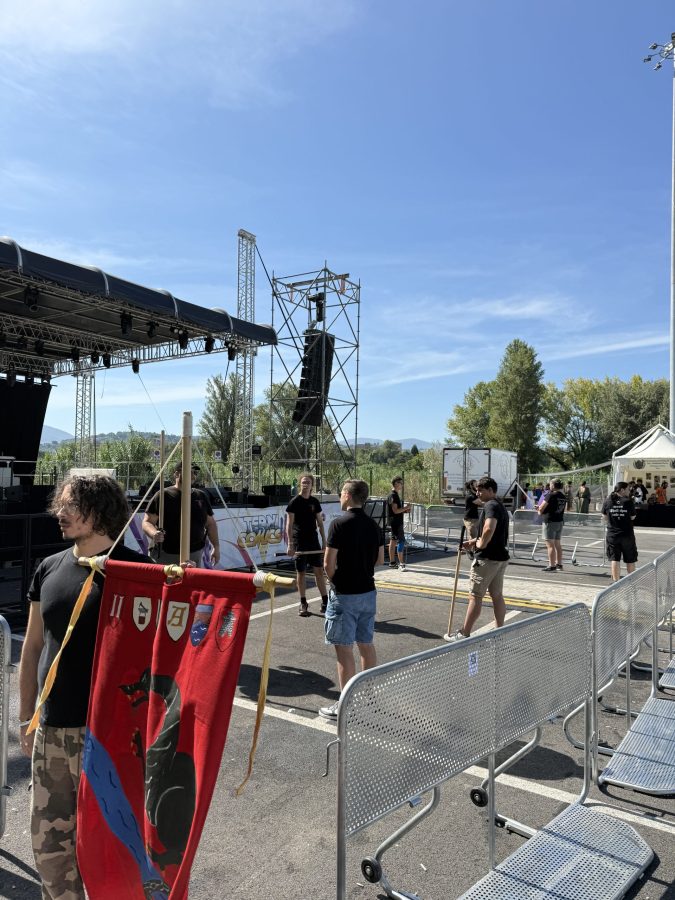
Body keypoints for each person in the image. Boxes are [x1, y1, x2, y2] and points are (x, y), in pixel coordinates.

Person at [18, 475, 151, 900]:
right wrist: (26, 717)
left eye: (72, 504)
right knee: (50, 849)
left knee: (114, 848)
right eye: (61, 502)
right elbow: (33, 646)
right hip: (53, 731)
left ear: (101, 511)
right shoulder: (49, 568)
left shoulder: (138, 574)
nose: (61, 512)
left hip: (112, 739)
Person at [319, 479, 384, 719]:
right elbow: (380, 560)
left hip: (345, 594)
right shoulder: (373, 525)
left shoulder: (338, 524)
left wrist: (337, 580)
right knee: (366, 644)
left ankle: (345, 704)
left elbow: (328, 563)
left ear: (347, 494)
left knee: (344, 650)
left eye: (341, 493)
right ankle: (369, 696)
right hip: (368, 591)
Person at [445, 476, 510, 641]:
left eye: (481, 490)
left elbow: (489, 528)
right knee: (497, 595)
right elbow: (490, 533)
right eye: (477, 490)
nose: (478, 493)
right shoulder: (500, 505)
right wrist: (473, 542)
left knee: (475, 596)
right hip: (500, 557)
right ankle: (499, 630)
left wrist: (481, 544)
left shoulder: (491, 505)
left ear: (491, 490)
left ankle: (464, 633)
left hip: (487, 559)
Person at [142, 462, 220, 566]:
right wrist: (154, 533)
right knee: (166, 582)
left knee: (190, 582)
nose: (193, 476)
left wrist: (216, 547)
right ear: (176, 474)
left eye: (195, 473)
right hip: (166, 554)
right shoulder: (163, 495)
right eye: (189, 472)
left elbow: (210, 524)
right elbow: (147, 522)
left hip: (194, 554)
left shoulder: (201, 496)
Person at [285, 472, 328, 616]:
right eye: (303, 482)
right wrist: (290, 544)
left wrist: (324, 542)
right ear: (300, 484)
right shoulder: (294, 502)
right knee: (301, 573)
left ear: (312, 485)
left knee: (319, 572)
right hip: (299, 541)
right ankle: (303, 602)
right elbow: (289, 526)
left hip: (313, 541)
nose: (305, 485)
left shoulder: (315, 502)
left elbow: (320, 524)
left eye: (308, 483)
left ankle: (325, 601)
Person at [602, 482, 638, 581]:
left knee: (614, 558)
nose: (629, 491)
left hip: (613, 534)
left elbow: (604, 517)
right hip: (627, 534)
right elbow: (633, 516)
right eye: (627, 489)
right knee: (630, 559)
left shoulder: (608, 500)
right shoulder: (628, 501)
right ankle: (631, 582)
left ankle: (616, 582)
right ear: (622, 490)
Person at [538, 478, 567, 571]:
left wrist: (538, 510)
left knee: (550, 545)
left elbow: (541, 508)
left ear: (553, 485)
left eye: (550, 484)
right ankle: (559, 564)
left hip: (550, 521)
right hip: (559, 520)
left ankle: (552, 565)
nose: (549, 486)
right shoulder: (563, 496)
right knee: (557, 544)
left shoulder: (550, 495)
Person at [387, 477, 411, 571]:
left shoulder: (393, 495)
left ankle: (392, 562)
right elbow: (395, 511)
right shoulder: (393, 496)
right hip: (396, 523)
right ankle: (401, 564)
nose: (402, 484)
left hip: (395, 521)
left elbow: (396, 511)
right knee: (401, 541)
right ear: (396, 484)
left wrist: (405, 510)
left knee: (393, 542)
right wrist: (406, 508)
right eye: (400, 483)